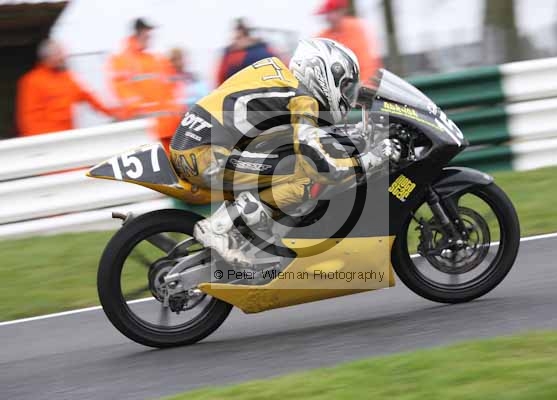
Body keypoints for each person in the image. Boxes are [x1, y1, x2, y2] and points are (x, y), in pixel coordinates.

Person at [170, 38, 397, 266]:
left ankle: (250, 228)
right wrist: (373, 158)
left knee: (288, 159)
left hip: (195, 144)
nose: (347, 95)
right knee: (304, 177)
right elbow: (319, 167)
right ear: (322, 73)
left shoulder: (283, 80)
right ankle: (219, 227)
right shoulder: (303, 100)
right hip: (205, 155)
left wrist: (358, 133)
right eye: (345, 86)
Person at [16, 39, 118, 136]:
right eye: (59, 54)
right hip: (45, 138)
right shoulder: (31, 81)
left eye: (63, 54)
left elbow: (89, 98)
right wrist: (38, 141)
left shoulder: (68, 77)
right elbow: (27, 118)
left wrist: (114, 113)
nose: (64, 58)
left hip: (66, 136)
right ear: (47, 58)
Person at [108, 18, 182, 151]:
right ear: (141, 32)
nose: (151, 36)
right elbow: (124, 94)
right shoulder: (122, 60)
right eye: (148, 32)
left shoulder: (155, 59)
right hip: (146, 133)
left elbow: (173, 86)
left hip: (168, 129)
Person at [315, 0, 381, 84]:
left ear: (341, 11)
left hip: (363, 83)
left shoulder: (355, 28)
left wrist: (364, 84)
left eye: (332, 12)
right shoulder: (323, 36)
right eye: (327, 13)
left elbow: (365, 61)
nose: (328, 17)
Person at [215, 18, 277, 86]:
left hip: (262, 86)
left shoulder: (262, 50)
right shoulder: (231, 53)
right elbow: (221, 76)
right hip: (239, 87)